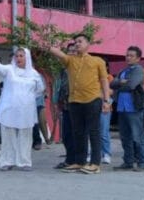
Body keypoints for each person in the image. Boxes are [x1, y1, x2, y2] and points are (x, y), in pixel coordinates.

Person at [47, 35, 111, 175]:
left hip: (93, 100)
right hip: (74, 101)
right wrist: (48, 45)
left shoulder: (97, 61)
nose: (77, 44)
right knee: (78, 133)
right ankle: (80, 162)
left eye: (80, 41)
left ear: (88, 44)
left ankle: (95, 164)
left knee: (94, 132)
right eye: (75, 42)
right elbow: (58, 53)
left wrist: (107, 101)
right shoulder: (70, 60)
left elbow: (104, 81)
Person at [0, 48, 45, 171]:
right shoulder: (10, 69)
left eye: (21, 56)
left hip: (26, 109)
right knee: (8, 135)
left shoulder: (34, 74)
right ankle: (7, 161)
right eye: (17, 56)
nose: (18, 58)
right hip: (9, 108)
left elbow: (40, 89)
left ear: (27, 58)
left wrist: (27, 97)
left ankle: (24, 162)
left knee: (25, 135)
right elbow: (0, 68)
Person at [111, 45, 144, 171]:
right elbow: (111, 84)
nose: (128, 57)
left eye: (131, 56)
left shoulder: (139, 70)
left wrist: (119, 84)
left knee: (138, 136)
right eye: (127, 55)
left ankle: (142, 162)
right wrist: (120, 82)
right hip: (122, 108)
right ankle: (128, 162)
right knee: (125, 137)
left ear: (138, 58)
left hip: (134, 108)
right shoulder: (123, 71)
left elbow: (131, 85)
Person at [52, 42, 75, 169]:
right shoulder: (62, 69)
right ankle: (69, 159)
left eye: (74, 51)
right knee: (66, 135)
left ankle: (77, 160)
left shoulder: (80, 68)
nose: (71, 53)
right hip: (65, 106)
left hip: (77, 106)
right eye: (69, 51)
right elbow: (58, 87)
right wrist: (56, 102)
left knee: (77, 135)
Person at [99, 61, 114, 165]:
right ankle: (96, 153)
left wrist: (103, 91)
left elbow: (112, 91)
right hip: (94, 107)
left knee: (104, 132)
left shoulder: (109, 77)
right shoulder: (94, 77)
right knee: (94, 132)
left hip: (105, 107)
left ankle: (106, 153)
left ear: (107, 67)